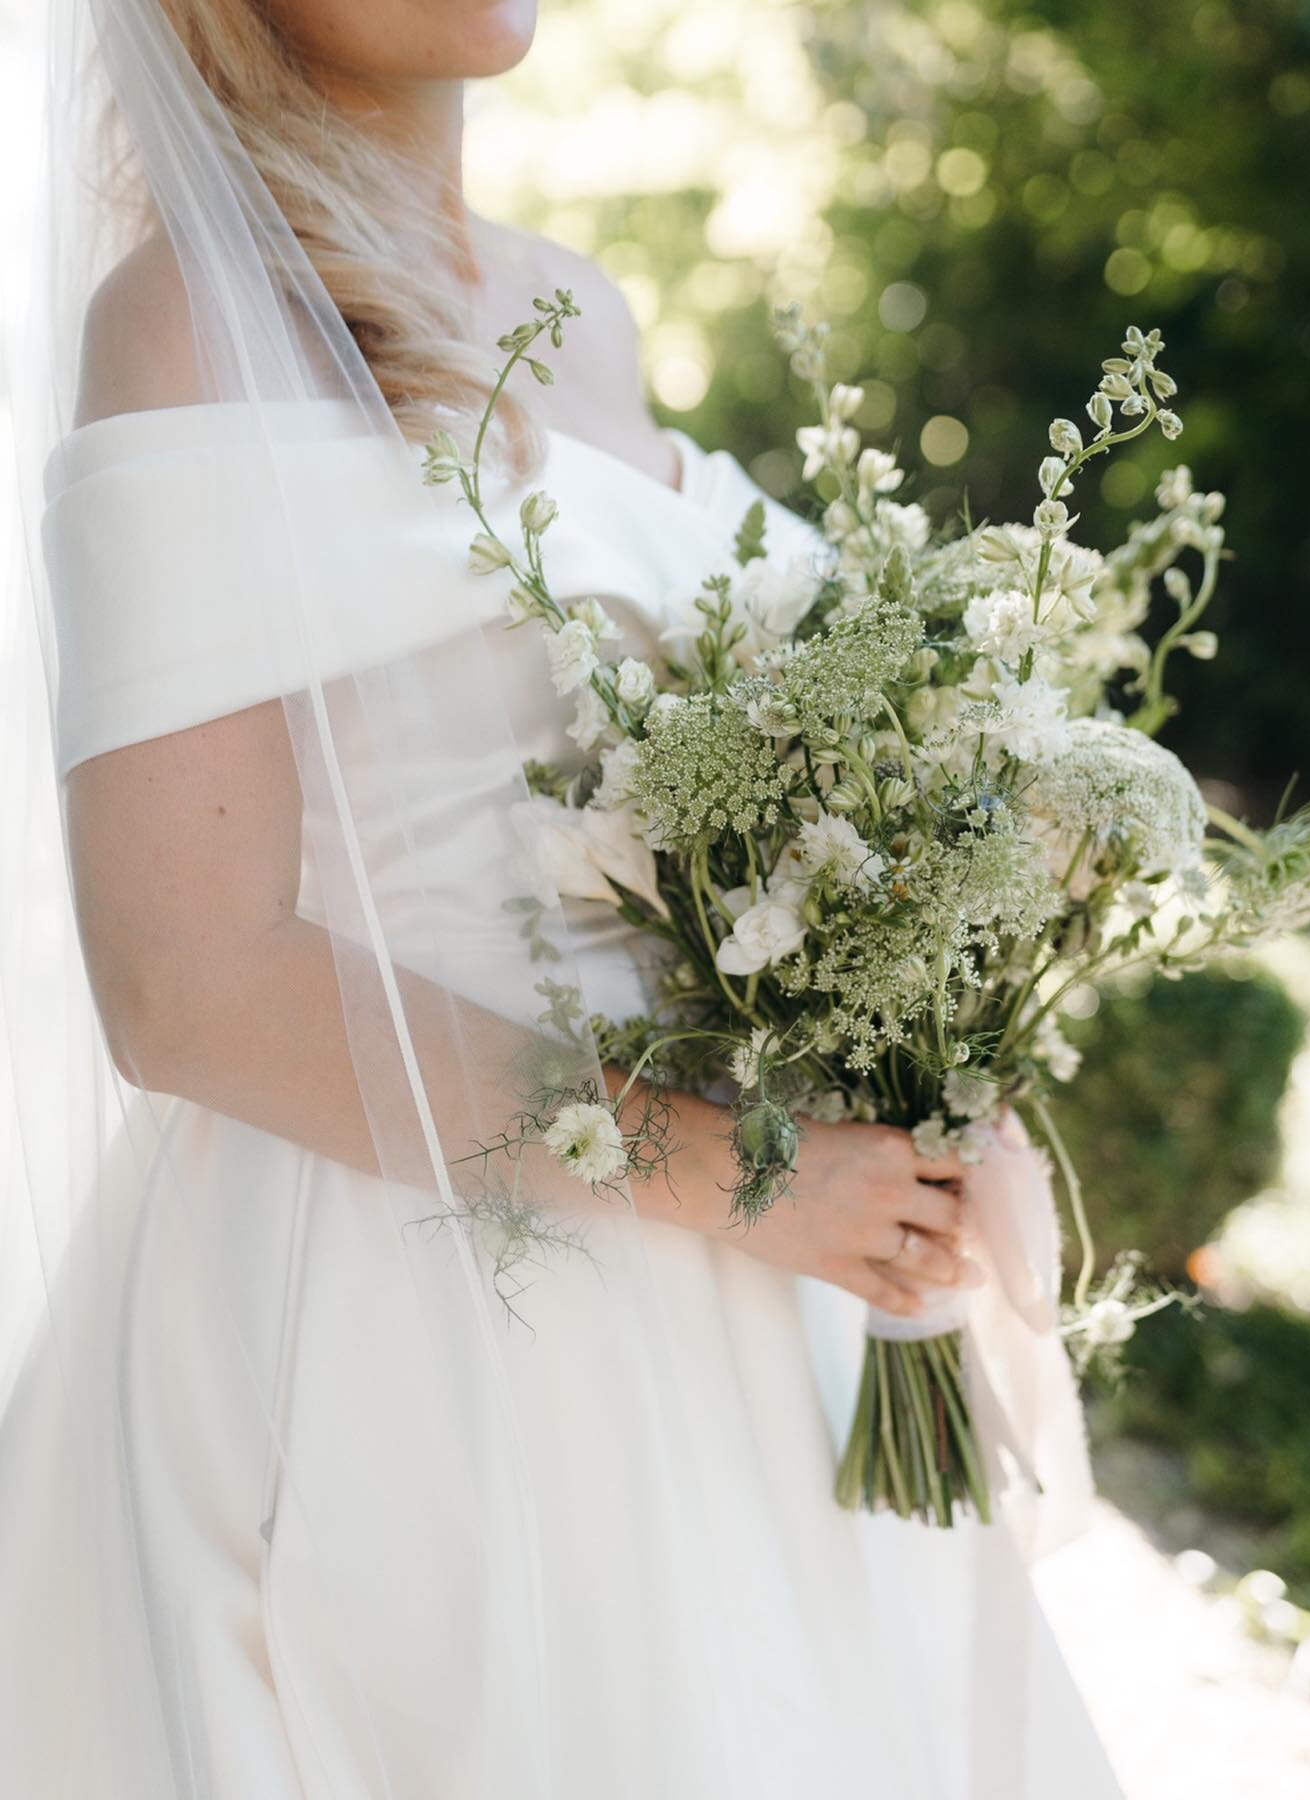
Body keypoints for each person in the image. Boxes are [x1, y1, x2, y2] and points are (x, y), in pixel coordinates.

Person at [0, 0, 1125, 1794]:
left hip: (758, 1297)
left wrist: (922, 1035)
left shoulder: (580, 306)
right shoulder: (189, 316)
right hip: (419, 1302)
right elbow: (185, 981)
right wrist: (745, 1181)